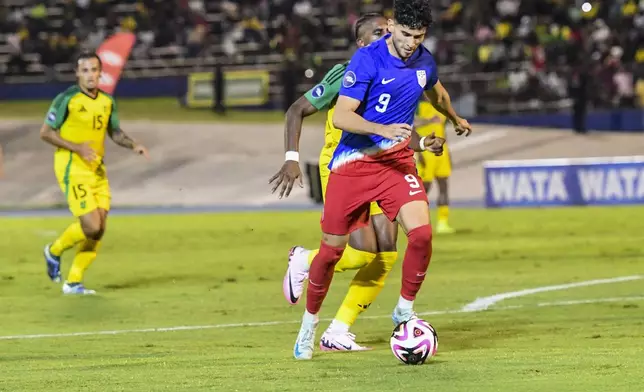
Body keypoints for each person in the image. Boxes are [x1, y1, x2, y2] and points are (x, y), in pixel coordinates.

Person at [291, 0, 472, 360]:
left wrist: (453, 118)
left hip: (396, 164)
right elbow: (342, 117)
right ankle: (308, 326)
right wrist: (382, 129)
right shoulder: (367, 60)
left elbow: (436, 92)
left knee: (420, 234)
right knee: (333, 253)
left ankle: (404, 309)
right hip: (353, 165)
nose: (412, 43)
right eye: (406, 34)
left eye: (419, 36)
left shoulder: (424, 60)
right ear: (392, 27)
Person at [40, 51, 149, 295]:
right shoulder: (66, 98)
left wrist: (134, 145)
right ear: (78, 73)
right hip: (72, 166)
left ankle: (73, 282)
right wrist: (77, 147)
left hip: (97, 168)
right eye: (85, 70)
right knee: (90, 226)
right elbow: (45, 132)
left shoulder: (107, 101)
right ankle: (54, 250)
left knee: (100, 229)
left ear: (101, 73)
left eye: (94, 70)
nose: (90, 75)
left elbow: (115, 132)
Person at [414, 98, 455, 234]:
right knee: (425, 188)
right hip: (426, 151)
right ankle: (416, 221)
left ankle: (443, 223)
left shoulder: (441, 106)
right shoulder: (417, 105)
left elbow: (442, 130)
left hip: (441, 151)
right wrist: (418, 153)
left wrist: (448, 153)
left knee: (444, 184)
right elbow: (411, 125)